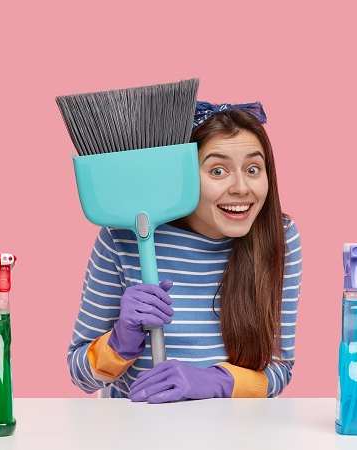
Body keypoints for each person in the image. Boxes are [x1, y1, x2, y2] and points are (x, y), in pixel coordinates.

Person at [67, 101, 302, 402]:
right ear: (184, 177)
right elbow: (79, 375)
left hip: (237, 432)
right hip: (137, 429)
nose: (242, 188)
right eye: (218, 171)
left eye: (253, 169)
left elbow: (280, 369)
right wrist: (120, 341)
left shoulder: (279, 237)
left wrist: (216, 381)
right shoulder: (123, 238)